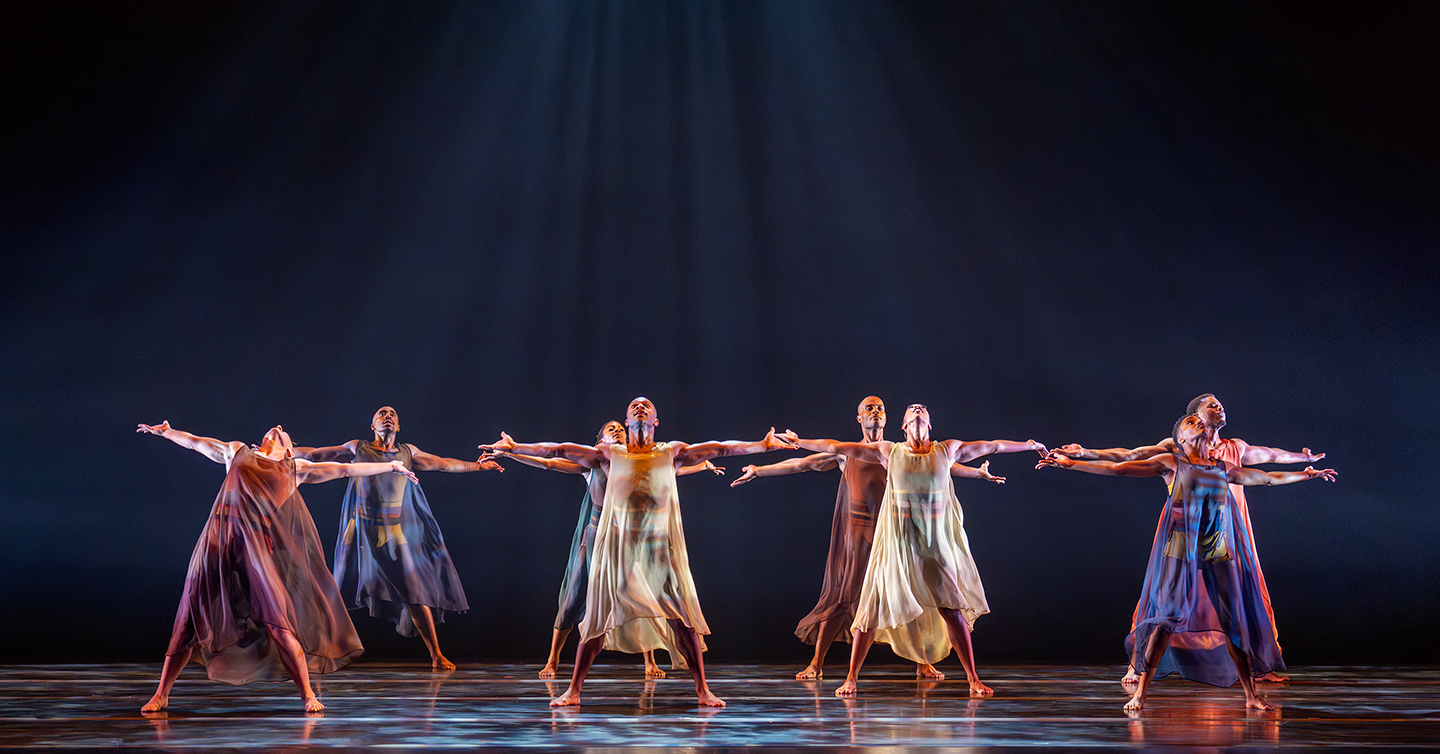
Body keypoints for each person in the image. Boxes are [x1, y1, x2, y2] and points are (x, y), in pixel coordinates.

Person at [481, 397, 796, 707]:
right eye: (634, 406)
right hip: (619, 550)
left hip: (659, 549)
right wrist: (516, 448)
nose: (640, 407)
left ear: (655, 421)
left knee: (682, 620)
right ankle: (573, 690)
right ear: (627, 420)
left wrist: (762, 445)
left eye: (647, 406)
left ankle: (703, 690)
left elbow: (721, 448)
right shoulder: (609, 454)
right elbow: (560, 451)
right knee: (596, 620)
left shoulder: (672, 452)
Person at [1039, 413, 1336, 711]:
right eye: (1190, 421)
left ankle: (1250, 696)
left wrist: (1306, 474)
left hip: (1215, 549)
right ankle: (1140, 693)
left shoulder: (1222, 467)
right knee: (1165, 621)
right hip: (1180, 548)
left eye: (1198, 420)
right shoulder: (1171, 462)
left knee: (1233, 621)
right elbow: (1120, 468)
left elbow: (1266, 477)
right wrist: (1073, 463)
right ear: (1180, 438)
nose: (1196, 422)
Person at [136, 421, 420, 713]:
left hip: (257, 550)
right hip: (216, 543)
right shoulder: (238, 452)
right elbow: (197, 442)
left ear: (289, 449)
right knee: (188, 620)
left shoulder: (296, 468)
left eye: (285, 432)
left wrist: (391, 467)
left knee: (279, 622)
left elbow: (346, 469)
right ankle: (162, 694)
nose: (279, 426)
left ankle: (308, 694)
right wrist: (167, 433)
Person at [729, 396, 1005, 681]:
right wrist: (759, 470)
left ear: (887, 420)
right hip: (862, 535)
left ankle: (923, 661)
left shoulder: (897, 451)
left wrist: (977, 473)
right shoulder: (850, 452)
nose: (875, 412)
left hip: (900, 535)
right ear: (859, 418)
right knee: (843, 599)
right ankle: (816, 663)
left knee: (919, 596)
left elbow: (942, 465)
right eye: (868, 409)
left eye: (880, 409)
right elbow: (803, 464)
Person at [781, 405, 1047, 697]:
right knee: (872, 607)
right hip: (898, 543)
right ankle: (851, 679)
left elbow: (992, 446)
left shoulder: (947, 450)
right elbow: (836, 446)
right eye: (912, 409)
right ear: (905, 426)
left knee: (951, 609)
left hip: (933, 544)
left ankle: (973, 679)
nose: (917, 409)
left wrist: (1029, 445)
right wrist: (799, 441)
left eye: (922, 409)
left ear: (929, 425)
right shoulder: (889, 452)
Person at [489, 419, 724, 679]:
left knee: (642, 594)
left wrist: (702, 465)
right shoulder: (595, 464)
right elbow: (549, 460)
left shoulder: (636, 460)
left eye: (621, 430)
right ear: (600, 441)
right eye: (611, 430)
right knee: (574, 598)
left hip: (630, 537)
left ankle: (649, 660)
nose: (618, 432)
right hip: (596, 535)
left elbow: (671, 470)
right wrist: (514, 451)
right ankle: (553, 658)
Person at [294, 406, 502, 671]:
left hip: (392, 531)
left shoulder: (408, 453)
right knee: (337, 591)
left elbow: (443, 463)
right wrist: (278, 454)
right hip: (360, 529)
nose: (388, 416)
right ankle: (321, 650)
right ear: (372, 425)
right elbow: (315, 455)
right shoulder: (357, 448)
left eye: (392, 414)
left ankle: (436, 655)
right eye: (382, 413)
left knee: (414, 591)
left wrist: (477, 466)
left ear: (399, 426)